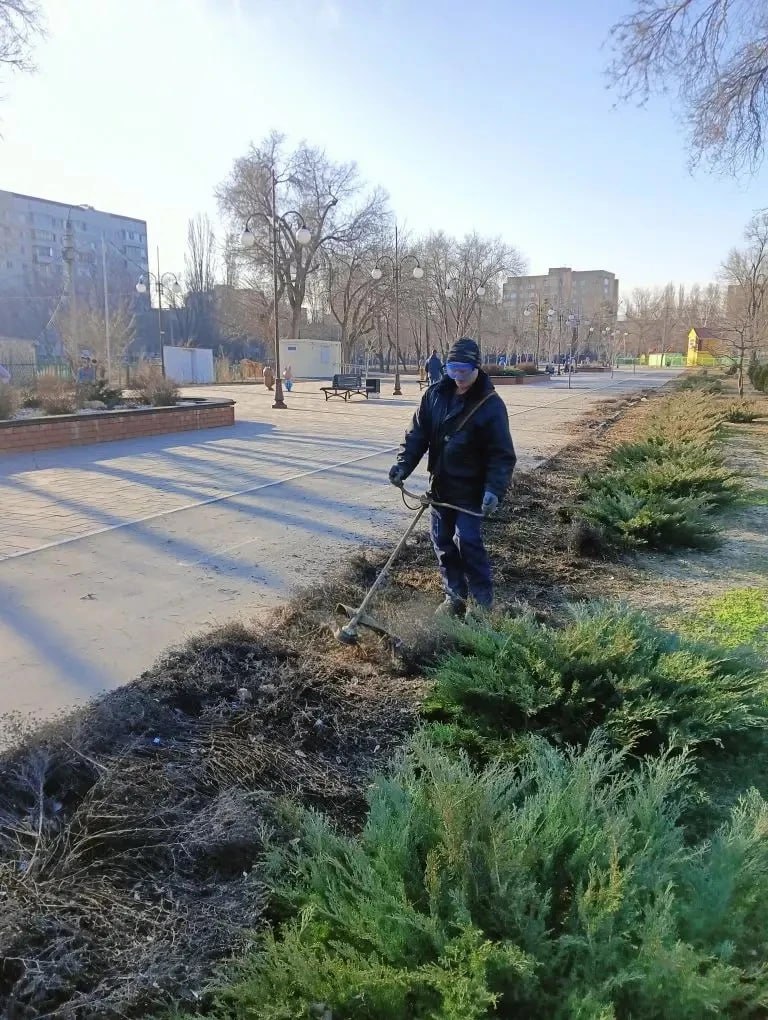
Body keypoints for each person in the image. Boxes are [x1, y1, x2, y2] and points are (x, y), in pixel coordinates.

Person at [389, 336, 516, 616]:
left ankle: (482, 603)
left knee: (467, 541)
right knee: (442, 542)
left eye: (464, 370)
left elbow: (502, 454)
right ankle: (454, 595)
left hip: (472, 491)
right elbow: (417, 435)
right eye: (452, 369)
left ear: (476, 368)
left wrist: (494, 489)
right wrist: (403, 466)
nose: (458, 377)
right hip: (441, 486)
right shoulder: (434, 395)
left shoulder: (491, 405)